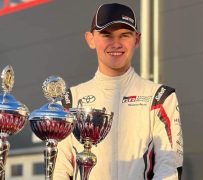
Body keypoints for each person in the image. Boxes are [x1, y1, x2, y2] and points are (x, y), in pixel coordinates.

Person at [55, 3, 183, 180]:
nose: (116, 44)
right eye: (107, 35)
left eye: (124, 35)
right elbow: (59, 170)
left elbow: (169, 167)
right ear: (90, 39)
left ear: (137, 40)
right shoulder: (69, 100)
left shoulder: (160, 97)